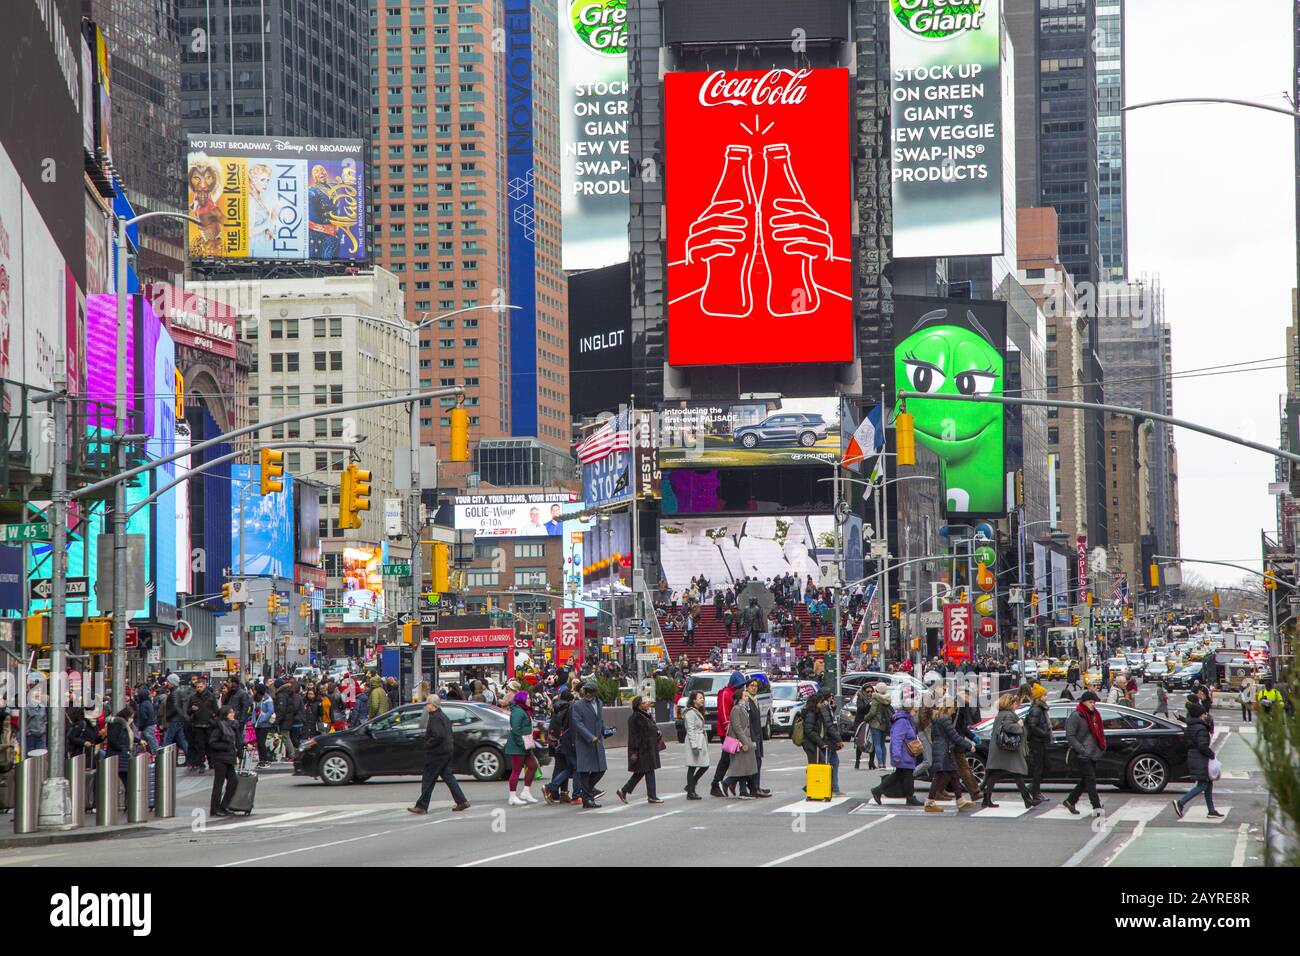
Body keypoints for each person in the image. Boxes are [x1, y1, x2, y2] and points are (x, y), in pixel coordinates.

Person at [408, 696, 471, 814]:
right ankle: (461, 801)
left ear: (433, 705)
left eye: (428, 704)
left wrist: (428, 744)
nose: (426, 706)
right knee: (448, 776)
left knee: (428, 778)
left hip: (437, 752)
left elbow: (438, 735)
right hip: (447, 750)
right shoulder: (443, 716)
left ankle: (421, 806)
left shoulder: (435, 717)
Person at [983, 693, 1034, 809]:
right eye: (1014, 703)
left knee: (995, 774)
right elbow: (1009, 727)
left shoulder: (1002, 714)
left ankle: (986, 799)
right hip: (1006, 750)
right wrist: (1019, 725)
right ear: (1009, 704)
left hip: (1000, 750)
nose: (1016, 705)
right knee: (1017, 773)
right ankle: (1027, 799)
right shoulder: (1008, 715)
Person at [925, 700, 977, 813]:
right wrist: (969, 746)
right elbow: (955, 736)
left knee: (954, 775)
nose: (954, 712)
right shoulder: (945, 719)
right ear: (948, 708)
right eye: (953, 709)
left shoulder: (938, 718)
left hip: (941, 749)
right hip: (944, 750)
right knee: (938, 776)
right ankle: (929, 802)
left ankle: (960, 801)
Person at [1173, 701, 1222, 819]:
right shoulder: (1200, 728)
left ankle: (1211, 810)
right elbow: (1202, 746)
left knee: (1208, 783)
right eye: (1204, 714)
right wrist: (1211, 754)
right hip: (1200, 758)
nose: (1206, 715)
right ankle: (1181, 802)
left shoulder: (1191, 726)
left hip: (1194, 756)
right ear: (1200, 715)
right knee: (1202, 785)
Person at [1062, 690, 1106, 817]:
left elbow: (1099, 732)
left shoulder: (1094, 715)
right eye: (1090, 702)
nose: (1093, 704)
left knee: (1086, 780)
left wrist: (1102, 746)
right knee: (1091, 780)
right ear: (1083, 702)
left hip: (1093, 752)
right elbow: (1070, 736)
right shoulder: (1077, 715)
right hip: (1083, 754)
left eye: (1094, 702)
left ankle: (1070, 801)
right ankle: (1097, 807)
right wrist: (1081, 749)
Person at [570, 678, 610, 808]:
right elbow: (577, 724)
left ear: (595, 692)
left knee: (601, 769)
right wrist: (590, 737)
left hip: (597, 742)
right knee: (585, 771)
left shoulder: (599, 703)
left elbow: (600, 721)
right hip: (584, 743)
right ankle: (587, 799)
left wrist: (606, 730)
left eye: (591, 691)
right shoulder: (578, 705)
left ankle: (586, 792)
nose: (588, 694)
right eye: (586, 691)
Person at [617, 696, 665, 804]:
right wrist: (634, 752)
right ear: (639, 705)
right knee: (647, 771)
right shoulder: (635, 718)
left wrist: (657, 733)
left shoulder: (646, 715)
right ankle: (651, 796)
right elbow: (633, 737)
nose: (648, 703)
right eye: (645, 702)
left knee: (642, 771)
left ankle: (624, 790)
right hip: (642, 749)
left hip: (648, 748)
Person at [800, 690, 845, 798]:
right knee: (819, 764)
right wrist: (821, 743)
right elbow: (810, 730)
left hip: (816, 742)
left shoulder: (816, 711)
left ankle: (814, 787)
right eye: (820, 702)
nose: (822, 704)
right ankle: (813, 787)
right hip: (811, 743)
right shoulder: (811, 713)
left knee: (820, 764)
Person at [709, 671, 746, 797]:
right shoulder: (725, 694)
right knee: (727, 759)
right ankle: (717, 784)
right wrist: (729, 731)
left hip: (733, 731)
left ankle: (728, 782)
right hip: (728, 732)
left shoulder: (731, 693)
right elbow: (724, 714)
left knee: (733, 759)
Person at [722, 683, 760, 798]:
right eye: (745, 696)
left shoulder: (744, 709)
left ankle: (743, 790)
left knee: (745, 767)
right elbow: (737, 727)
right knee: (742, 767)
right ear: (739, 698)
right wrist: (745, 742)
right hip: (739, 742)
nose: (747, 698)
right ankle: (727, 782)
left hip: (745, 740)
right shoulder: (736, 709)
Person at [505, 691, 540, 806]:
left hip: (524, 745)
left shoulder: (523, 711)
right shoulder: (518, 712)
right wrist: (522, 744)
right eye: (528, 698)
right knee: (516, 771)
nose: (530, 700)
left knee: (533, 766)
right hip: (518, 746)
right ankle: (512, 796)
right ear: (522, 700)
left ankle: (525, 792)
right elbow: (516, 730)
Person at [207, 706, 240, 818]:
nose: (233, 714)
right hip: (220, 759)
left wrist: (244, 745)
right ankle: (215, 809)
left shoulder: (231, 726)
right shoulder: (219, 727)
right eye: (231, 712)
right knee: (218, 784)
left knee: (233, 782)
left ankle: (224, 806)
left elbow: (235, 740)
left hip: (228, 758)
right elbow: (212, 742)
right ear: (226, 714)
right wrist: (226, 747)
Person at [543, 688, 575, 804]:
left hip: (555, 741)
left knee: (561, 767)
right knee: (564, 767)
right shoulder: (566, 709)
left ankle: (562, 793)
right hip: (562, 743)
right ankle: (554, 791)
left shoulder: (558, 707)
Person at [743, 677, 770, 797]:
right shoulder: (747, 702)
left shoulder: (755, 700)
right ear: (747, 688)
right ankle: (754, 788)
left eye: (756, 686)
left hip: (758, 736)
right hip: (752, 737)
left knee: (757, 762)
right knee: (755, 763)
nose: (754, 688)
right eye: (752, 686)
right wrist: (752, 738)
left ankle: (756, 787)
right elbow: (747, 722)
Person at [1025, 684, 1051, 805]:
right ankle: (1035, 791)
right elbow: (1032, 725)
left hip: (1039, 741)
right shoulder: (1036, 709)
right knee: (1039, 768)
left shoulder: (1039, 708)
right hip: (1037, 742)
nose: (1046, 696)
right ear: (1039, 697)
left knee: (1042, 767)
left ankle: (1034, 788)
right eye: (1044, 695)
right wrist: (1044, 733)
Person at [683, 690, 710, 800]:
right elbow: (690, 729)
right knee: (692, 766)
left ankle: (690, 786)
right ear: (694, 700)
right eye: (700, 698)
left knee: (704, 765)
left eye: (702, 697)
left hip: (700, 740)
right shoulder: (690, 712)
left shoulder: (697, 711)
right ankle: (690, 791)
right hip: (694, 741)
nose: (702, 699)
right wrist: (694, 745)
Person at [187, 677, 218, 772]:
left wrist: (214, 718)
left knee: (210, 744)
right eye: (197, 687)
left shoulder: (211, 696)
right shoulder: (193, 698)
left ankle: (211, 762)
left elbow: (216, 710)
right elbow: (188, 711)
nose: (199, 688)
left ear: (204, 686)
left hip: (209, 724)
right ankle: (201, 764)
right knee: (200, 746)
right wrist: (192, 709)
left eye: (200, 687)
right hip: (198, 725)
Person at [160, 674, 190, 763]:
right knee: (181, 739)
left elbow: (174, 707)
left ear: (172, 682)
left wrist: (168, 716)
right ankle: (190, 757)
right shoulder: (177, 692)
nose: (167, 683)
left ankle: (163, 760)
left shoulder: (174, 693)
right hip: (177, 719)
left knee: (167, 740)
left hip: (174, 720)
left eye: (168, 681)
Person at [865, 683, 892, 771]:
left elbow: (872, 712)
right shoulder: (887, 699)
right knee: (882, 744)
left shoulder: (876, 698)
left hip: (876, 724)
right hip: (885, 724)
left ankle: (880, 764)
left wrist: (866, 718)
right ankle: (884, 763)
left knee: (877, 744)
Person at [24, 686, 48, 755]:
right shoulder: (26, 708)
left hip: (41, 735)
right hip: (31, 735)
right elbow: (23, 721)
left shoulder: (43, 707)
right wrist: (28, 732)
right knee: (30, 754)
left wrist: (43, 730)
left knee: (41, 754)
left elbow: (44, 720)